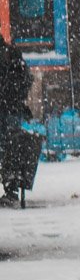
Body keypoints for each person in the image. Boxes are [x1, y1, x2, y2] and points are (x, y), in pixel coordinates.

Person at [0, 32, 32, 207]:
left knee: (7, 147)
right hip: (12, 108)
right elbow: (26, 79)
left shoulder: (10, 54)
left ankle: (11, 188)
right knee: (11, 148)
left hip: (8, 108)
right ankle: (11, 189)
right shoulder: (12, 53)